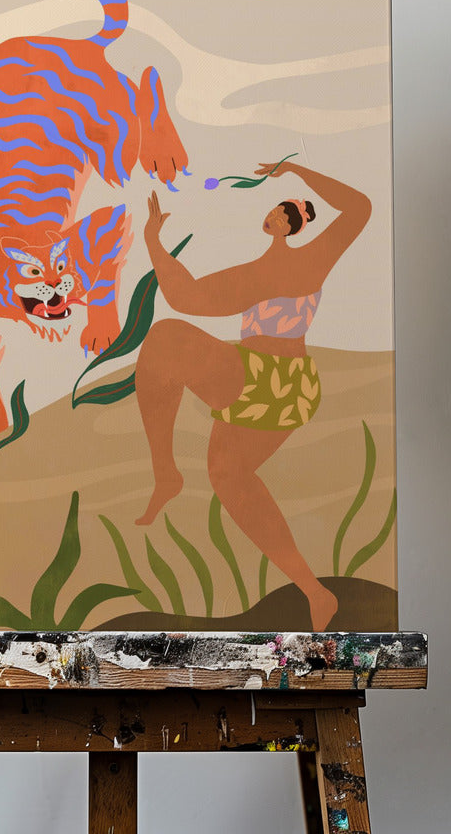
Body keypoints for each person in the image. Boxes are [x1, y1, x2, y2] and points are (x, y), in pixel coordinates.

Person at [134, 161, 371, 630]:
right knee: (228, 475)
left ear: (292, 226)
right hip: (287, 391)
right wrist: (154, 243)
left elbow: (360, 207)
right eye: (275, 210)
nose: (275, 216)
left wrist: (298, 169)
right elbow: (187, 294)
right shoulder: (268, 268)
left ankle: (165, 473)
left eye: (284, 214)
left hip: (265, 380)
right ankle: (316, 593)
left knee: (164, 340)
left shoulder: (294, 263)